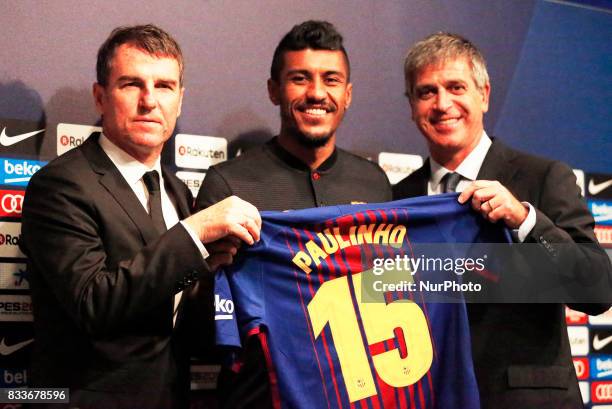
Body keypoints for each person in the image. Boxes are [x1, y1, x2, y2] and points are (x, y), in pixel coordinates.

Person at [20, 24, 261, 409]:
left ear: (180, 101)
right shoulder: (60, 185)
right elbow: (93, 303)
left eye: (164, 86)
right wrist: (191, 234)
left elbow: (175, 323)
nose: (149, 100)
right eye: (131, 84)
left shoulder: (177, 191)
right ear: (100, 97)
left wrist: (212, 273)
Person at [393, 32, 612, 408]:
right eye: (426, 92)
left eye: (456, 87)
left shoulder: (542, 177)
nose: (442, 103)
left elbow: (597, 291)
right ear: (412, 106)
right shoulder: (397, 198)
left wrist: (526, 220)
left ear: (484, 95)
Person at [195, 20, 391, 408]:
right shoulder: (227, 184)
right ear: (274, 89)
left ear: (348, 94)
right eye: (300, 78)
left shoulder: (376, 186)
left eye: (331, 80)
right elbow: (201, 315)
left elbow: (386, 295)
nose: (317, 93)